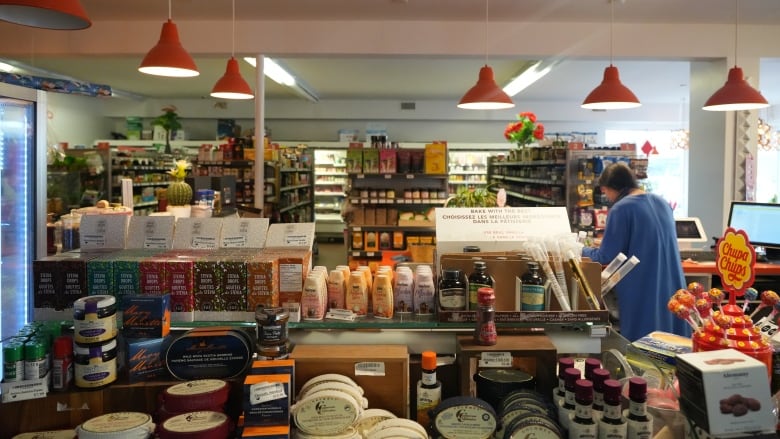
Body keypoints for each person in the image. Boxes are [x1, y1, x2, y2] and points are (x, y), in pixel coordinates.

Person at [582, 162, 690, 342]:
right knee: (671, 343)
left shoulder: (622, 208)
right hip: (672, 285)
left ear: (611, 188)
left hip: (642, 288)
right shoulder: (662, 202)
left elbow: (605, 256)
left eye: (606, 191)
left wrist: (580, 249)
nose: (607, 197)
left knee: (644, 349)